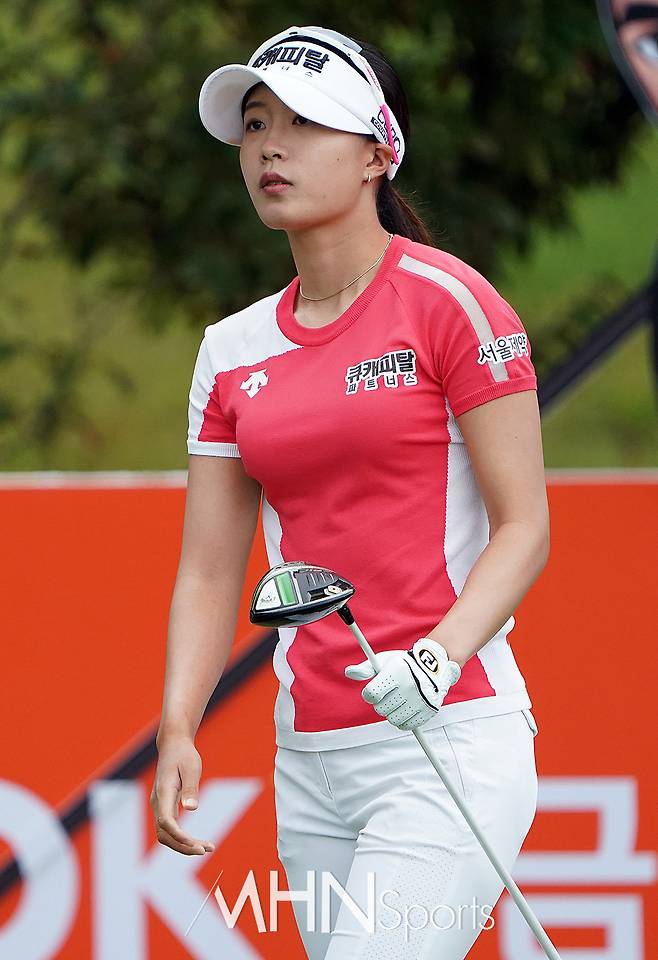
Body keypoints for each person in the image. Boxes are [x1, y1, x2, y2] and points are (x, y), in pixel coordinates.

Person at [150, 24, 550, 959]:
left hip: (448, 736)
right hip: (311, 759)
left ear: (377, 152)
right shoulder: (230, 350)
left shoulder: (453, 303)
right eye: (256, 124)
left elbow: (525, 527)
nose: (270, 147)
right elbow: (209, 573)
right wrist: (178, 728)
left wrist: (435, 661)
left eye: (304, 123)